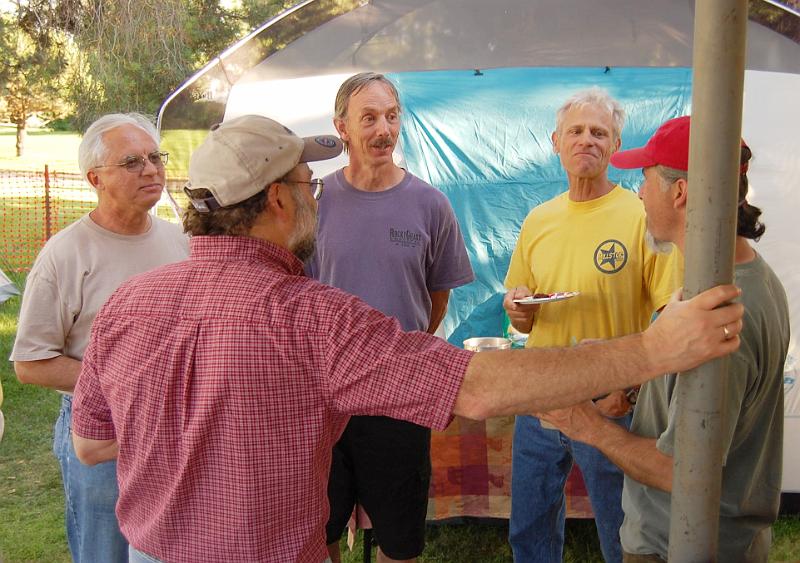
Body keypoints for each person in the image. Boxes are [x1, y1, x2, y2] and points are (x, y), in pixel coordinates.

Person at [69, 114, 742, 563]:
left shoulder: (131, 303)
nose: (318, 197)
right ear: (277, 200)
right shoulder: (310, 317)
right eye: (309, 184)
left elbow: (91, 439)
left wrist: (196, 435)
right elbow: (475, 389)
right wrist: (655, 350)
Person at [541, 115, 790, 562]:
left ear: (681, 192)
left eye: (645, 178)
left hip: (681, 544)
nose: (638, 192)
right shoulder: (748, 278)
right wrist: (637, 383)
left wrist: (587, 426)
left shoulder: (717, 315)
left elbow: (685, 472)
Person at [502, 88, 682, 563]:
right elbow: (521, 306)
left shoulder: (641, 215)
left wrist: (633, 386)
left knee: (623, 533)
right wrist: (518, 308)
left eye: (599, 132)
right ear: (555, 142)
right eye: (576, 131)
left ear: (616, 144)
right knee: (530, 529)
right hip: (539, 396)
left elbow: (670, 313)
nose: (587, 140)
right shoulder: (538, 220)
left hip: (610, 402)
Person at [307, 72, 474, 563]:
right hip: (326, 397)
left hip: (399, 396)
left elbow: (437, 294)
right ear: (342, 127)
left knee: (400, 539)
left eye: (392, 116)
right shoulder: (314, 203)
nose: (384, 129)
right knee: (320, 529)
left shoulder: (430, 204)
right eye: (369, 118)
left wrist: (404, 351)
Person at [10, 112, 189, 562]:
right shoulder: (66, 254)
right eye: (132, 162)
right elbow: (31, 363)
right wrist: (125, 383)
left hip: (175, 426)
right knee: (105, 552)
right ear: (96, 178)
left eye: (155, 157)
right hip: (99, 430)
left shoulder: (181, 241)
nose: (151, 170)